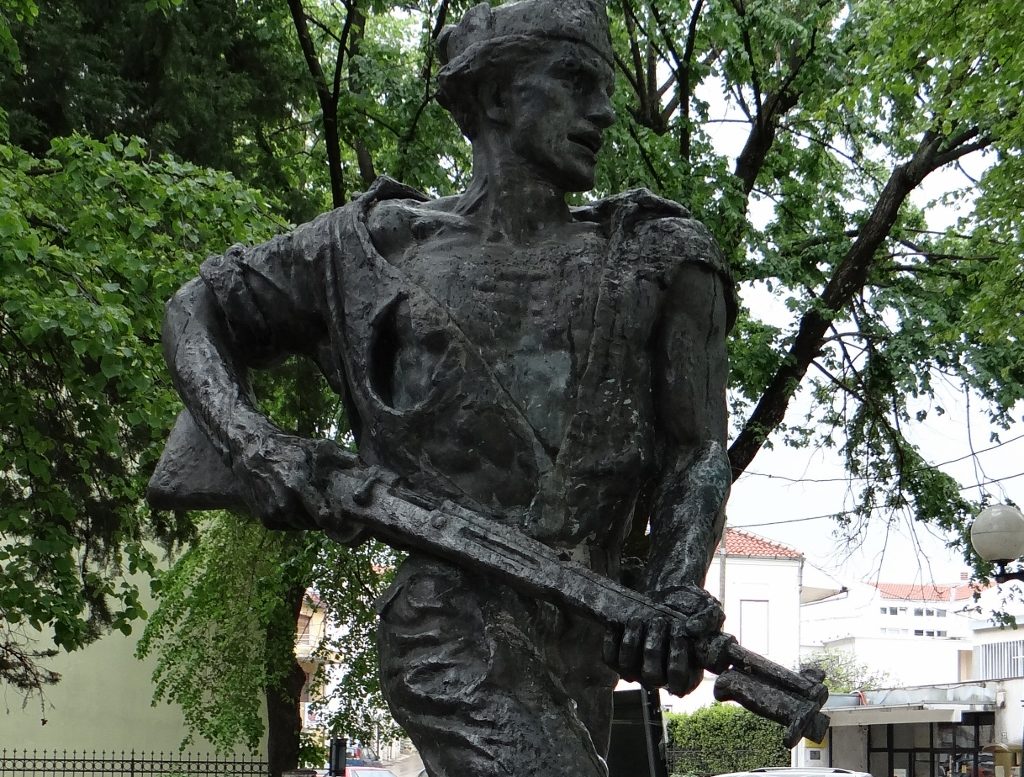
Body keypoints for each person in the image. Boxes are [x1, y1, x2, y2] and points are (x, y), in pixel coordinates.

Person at [152, 1, 735, 775]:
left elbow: (697, 450)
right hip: (443, 618)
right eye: (573, 80)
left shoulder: (660, 257)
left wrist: (673, 588)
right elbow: (194, 309)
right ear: (494, 97)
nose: (602, 112)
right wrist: (252, 444)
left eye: (606, 88)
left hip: (584, 627)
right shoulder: (374, 249)